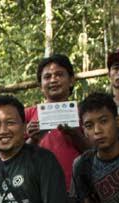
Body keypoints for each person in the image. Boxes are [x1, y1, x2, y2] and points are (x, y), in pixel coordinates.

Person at [24, 54, 89, 187]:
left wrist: (75, 135)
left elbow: (96, 152)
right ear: (40, 85)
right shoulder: (27, 115)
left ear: (71, 80)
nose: (53, 80)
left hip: (77, 188)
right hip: (39, 188)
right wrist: (33, 139)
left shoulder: (84, 112)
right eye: (47, 77)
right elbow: (14, 157)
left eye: (59, 74)